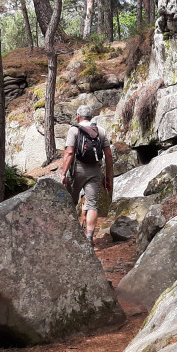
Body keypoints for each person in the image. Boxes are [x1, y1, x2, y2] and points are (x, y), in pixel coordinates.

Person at [61, 104, 113, 246]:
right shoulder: (100, 130)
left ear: (78, 116)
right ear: (91, 117)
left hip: (77, 170)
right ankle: (89, 237)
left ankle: (71, 234)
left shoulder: (74, 130)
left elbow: (70, 153)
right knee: (92, 204)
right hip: (95, 171)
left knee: (70, 201)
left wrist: (63, 173)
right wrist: (108, 177)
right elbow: (108, 154)